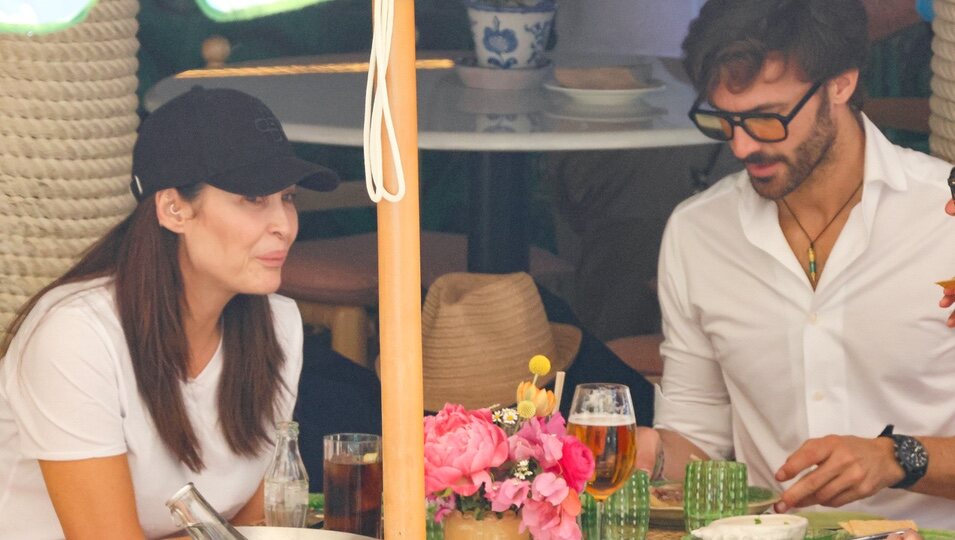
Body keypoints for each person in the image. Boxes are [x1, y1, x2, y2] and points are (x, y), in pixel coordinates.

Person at [634, 0, 955, 527]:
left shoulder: (942, 219)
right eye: (724, 119)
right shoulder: (698, 233)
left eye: (766, 118)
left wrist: (900, 457)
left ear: (841, 84)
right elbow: (698, 441)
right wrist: (654, 453)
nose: (741, 145)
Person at [0, 86, 340, 539]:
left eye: (288, 198)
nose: (284, 225)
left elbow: (252, 526)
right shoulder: (77, 336)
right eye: (253, 200)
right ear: (174, 208)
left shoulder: (277, 327)